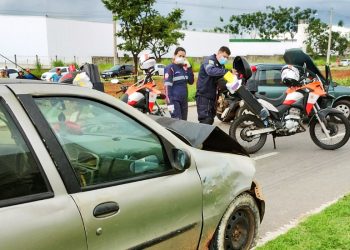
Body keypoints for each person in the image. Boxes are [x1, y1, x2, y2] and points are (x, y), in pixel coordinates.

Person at [196, 46, 231, 124]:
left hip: (213, 97)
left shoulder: (221, 65)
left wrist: (234, 78)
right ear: (218, 53)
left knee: (210, 119)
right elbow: (210, 71)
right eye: (224, 56)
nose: (225, 59)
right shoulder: (210, 60)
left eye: (227, 58)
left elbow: (225, 77)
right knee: (206, 120)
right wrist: (228, 71)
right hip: (204, 95)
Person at [164, 47, 194, 120]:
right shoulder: (170, 68)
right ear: (174, 56)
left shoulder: (185, 68)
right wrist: (170, 104)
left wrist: (189, 68)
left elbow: (191, 81)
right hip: (174, 100)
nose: (182, 58)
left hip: (184, 100)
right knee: (177, 122)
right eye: (179, 56)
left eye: (183, 56)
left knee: (184, 122)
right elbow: (167, 87)